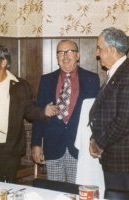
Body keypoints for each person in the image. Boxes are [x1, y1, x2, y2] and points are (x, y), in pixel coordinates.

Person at [89, 27, 129, 191]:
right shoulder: (117, 72)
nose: (97, 53)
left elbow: (124, 121)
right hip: (113, 151)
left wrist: (99, 142)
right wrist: (94, 138)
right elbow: (104, 111)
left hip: (121, 154)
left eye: (99, 48)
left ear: (112, 50)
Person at [31, 39, 100, 183]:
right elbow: (39, 115)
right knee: (55, 192)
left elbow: (97, 116)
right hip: (53, 146)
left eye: (70, 52)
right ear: (57, 58)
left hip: (79, 147)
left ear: (78, 56)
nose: (65, 56)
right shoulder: (46, 80)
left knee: (77, 192)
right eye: (61, 53)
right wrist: (36, 144)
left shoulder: (91, 79)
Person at [0, 44, 53, 182]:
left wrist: (43, 112)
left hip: (9, 152)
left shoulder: (20, 85)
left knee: (6, 190)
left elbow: (29, 111)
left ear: (4, 62)